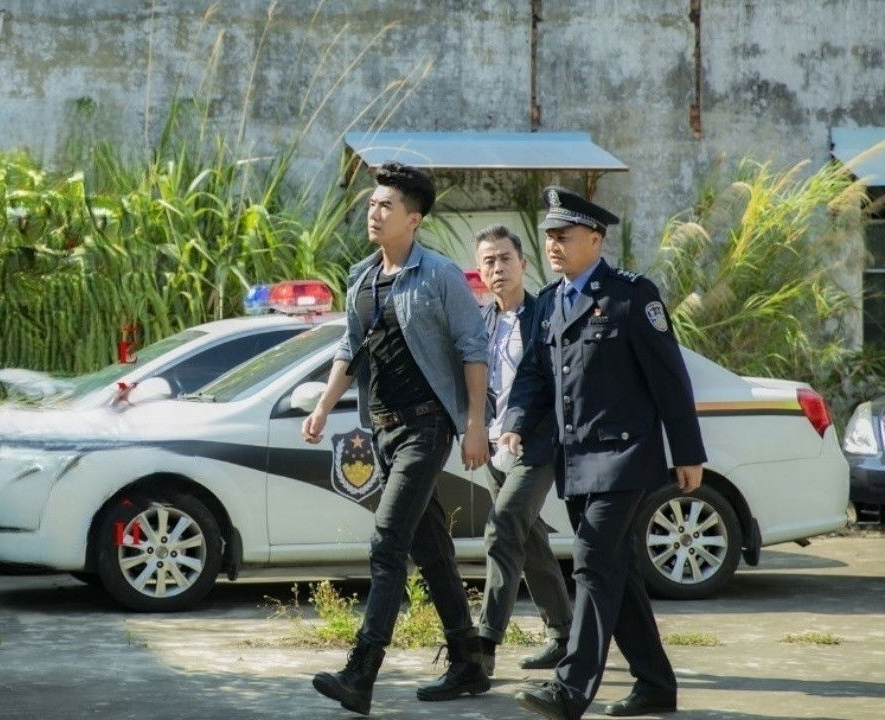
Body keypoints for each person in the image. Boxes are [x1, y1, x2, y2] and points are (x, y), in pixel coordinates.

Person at [500, 186, 706, 720]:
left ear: (594, 239)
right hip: (574, 461)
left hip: (624, 456)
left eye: (563, 236)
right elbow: (534, 377)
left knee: (592, 560)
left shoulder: (631, 296)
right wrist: (514, 425)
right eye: (548, 236)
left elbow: (670, 379)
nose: (553, 245)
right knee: (619, 572)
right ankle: (655, 685)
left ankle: (569, 691)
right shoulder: (549, 301)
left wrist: (687, 451)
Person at [301, 162, 490, 715]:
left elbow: (473, 349)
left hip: (426, 427)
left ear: (414, 219)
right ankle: (468, 661)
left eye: (386, 205)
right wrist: (322, 407)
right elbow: (350, 349)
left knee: (388, 544)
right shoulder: (362, 277)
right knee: (430, 548)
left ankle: (361, 673)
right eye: (371, 204)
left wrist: (474, 424)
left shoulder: (439, 275)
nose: (374, 212)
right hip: (381, 428)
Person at [471, 225, 573, 677]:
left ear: (523, 263)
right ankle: (564, 634)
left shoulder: (545, 314)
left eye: (505, 258)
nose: (498, 268)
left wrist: (523, 428)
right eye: (489, 261)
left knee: (503, 527)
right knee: (529, 540)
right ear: (480, 271)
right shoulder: (480, 323)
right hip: (495, 447)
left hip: (538, 444)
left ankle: (484, 642)